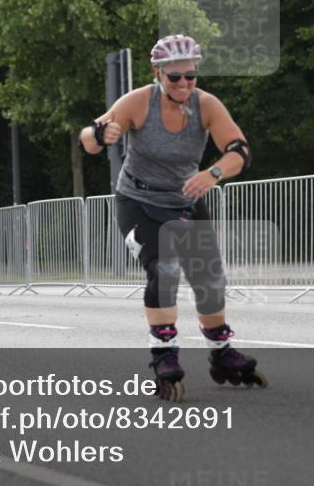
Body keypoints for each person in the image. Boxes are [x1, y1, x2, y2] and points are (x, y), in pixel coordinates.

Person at [79, 34, 266, 401]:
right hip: (139, 201)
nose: (183, 84)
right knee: (164, 268)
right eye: (174, 78)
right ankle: (164, 353)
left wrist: (212, 174)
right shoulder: (138, 103)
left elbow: (239, 151)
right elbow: (87, 138)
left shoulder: (207, 105)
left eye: (190, 76)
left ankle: (222, 352)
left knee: (209, 276)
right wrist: (102, 134)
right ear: (158, 74)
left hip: (185, 198)